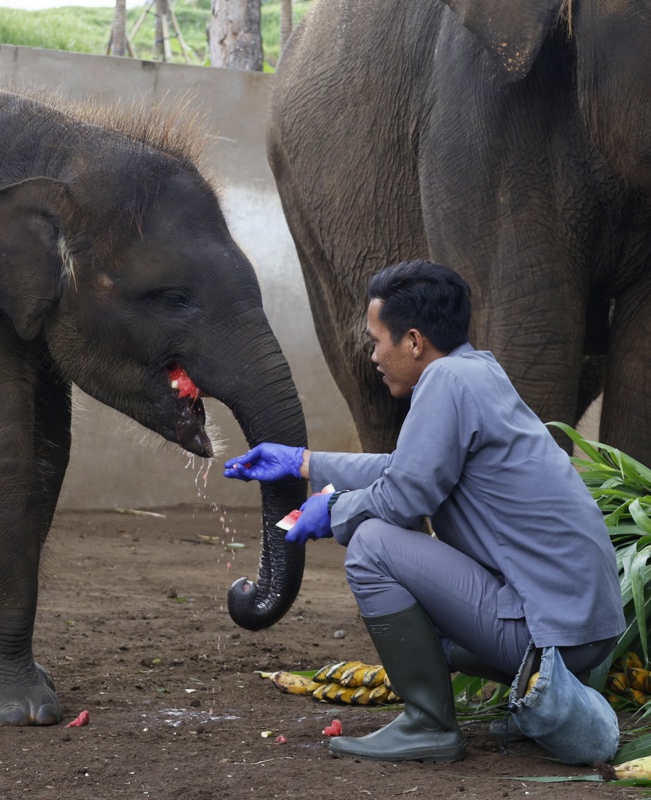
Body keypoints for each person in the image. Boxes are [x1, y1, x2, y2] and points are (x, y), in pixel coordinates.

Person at [225, 260, 624, 763]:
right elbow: (405, 468)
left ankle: (429, 726)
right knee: (405, 581)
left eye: (376, 340)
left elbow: (401, 498)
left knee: (371, 547)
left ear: (413, 341)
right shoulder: (476, 370)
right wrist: (303, 463)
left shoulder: (446, 382)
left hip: (552, 634)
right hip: (583, 626)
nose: (373, 355)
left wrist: (333, 510)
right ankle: (537, 700)